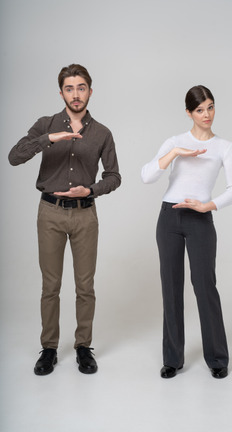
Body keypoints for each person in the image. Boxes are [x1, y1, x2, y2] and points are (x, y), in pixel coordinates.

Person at [9, 64, 121, 375]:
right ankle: (49, 348)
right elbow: (14, 156)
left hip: (85, 214)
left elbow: (114, 177)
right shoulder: (45, 124)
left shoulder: (102, 133)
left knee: (85, 286)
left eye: (81, 87)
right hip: (50, 214)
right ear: (61, 92)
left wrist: (92, 189)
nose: (76, 94)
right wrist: (49, 139)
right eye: (69, 88)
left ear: (90, 91)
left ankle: (83, 346)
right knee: (51, 286)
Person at [141, 85, 232, 379]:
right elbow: (147, 176)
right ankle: (172, 359)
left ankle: (218, 358)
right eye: (199, 110)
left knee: (204, 286)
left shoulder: (224, 146)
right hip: (169, 219)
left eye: (210, 107)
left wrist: (207, 205)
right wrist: (174, 153)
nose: (206, 114)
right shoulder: (175, 141)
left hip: (200, 219)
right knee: (171, 288)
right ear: (189, 112)